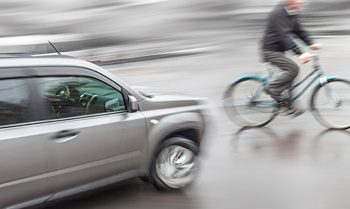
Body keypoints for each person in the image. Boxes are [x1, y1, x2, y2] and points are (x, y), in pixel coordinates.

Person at [261, 0, 320, 114]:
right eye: (299, 0)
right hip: (270, 51)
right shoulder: (278, 13)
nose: (302, 2)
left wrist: (311, 43)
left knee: (290, 73)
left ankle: (288, 104)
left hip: (278, 51)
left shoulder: (291, 12)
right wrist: (300, 53)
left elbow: (299, 31)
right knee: (293, 69)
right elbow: (285, 37)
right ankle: (272, 88)